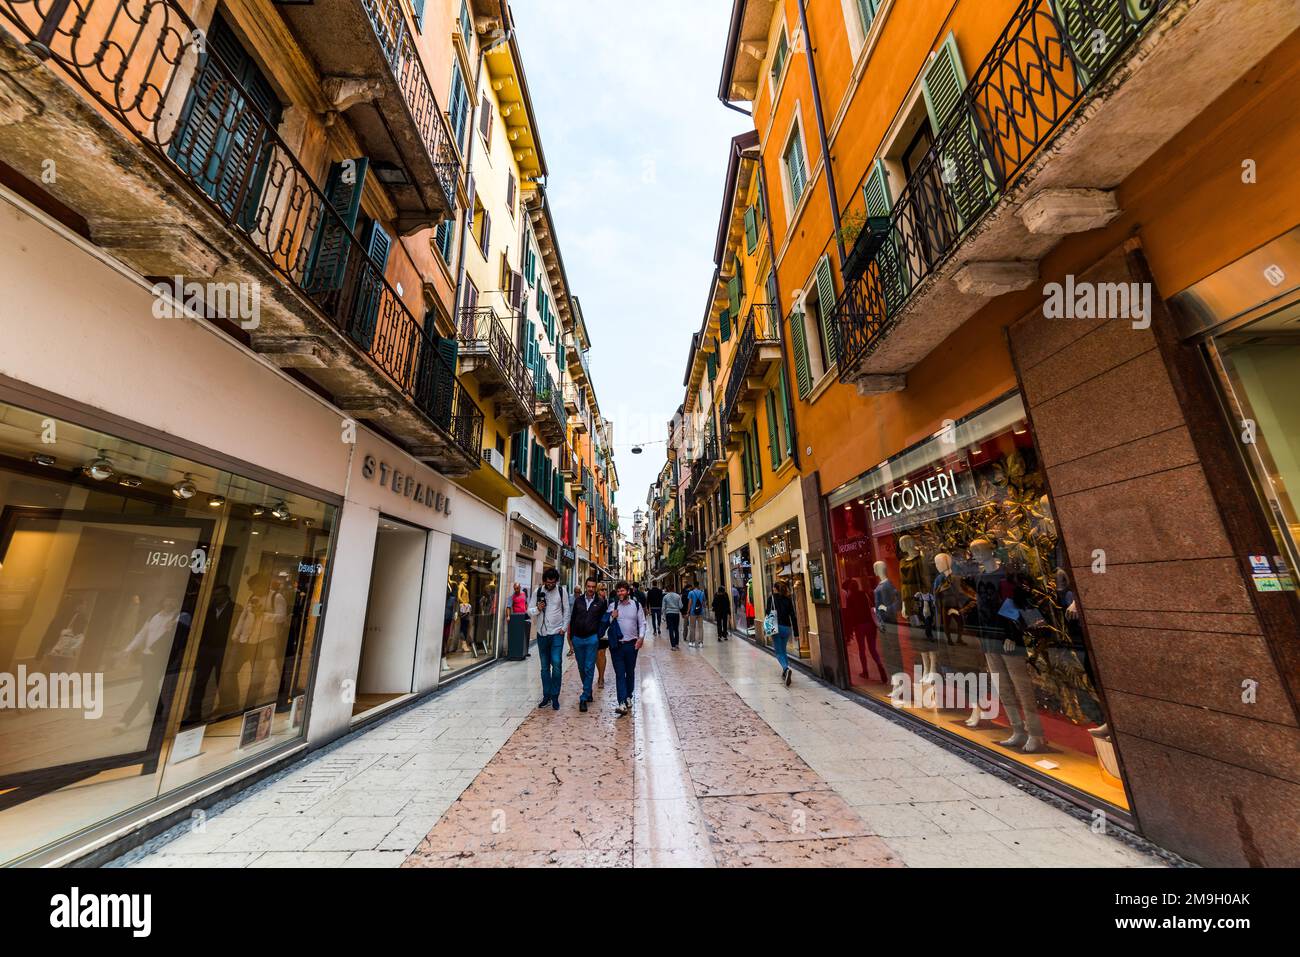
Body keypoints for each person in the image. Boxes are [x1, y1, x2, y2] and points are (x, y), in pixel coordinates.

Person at [529, 567, 569, 710]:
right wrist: (538, 609)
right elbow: (529, 611)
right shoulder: (538, 592)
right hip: (542, 634)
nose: (550, 584)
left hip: (557, 634)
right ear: (544, 581)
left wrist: (563, 628)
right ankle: (546, 696)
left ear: (556, 581)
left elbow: (566, 610)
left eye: (553, 582)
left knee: (557, 664)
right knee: (545, 667)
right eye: (548, 582)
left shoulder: (561, 591)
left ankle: (555, 696)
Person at [567, 576, 607, 713]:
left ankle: (584, 697)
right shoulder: (578, 601)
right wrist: (571, 638)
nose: (590, 589)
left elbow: (604, 620)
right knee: (581, 667)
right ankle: (588, 689)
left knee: (589, 667)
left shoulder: (600, 602)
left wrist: (598, 635)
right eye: (588, 586)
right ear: (585, 586)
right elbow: (572, 619)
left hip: (591, 639)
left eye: (593, 587)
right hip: (577, 639)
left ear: (595, 588)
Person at [607, 581, 647, 716]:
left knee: (630, 672)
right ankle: (622, 702)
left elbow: (642, 623)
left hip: (632, 644)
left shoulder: (636, 605)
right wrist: (612, 617)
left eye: (622, 590)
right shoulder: (613, 606)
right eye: (618, 591)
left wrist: (641, 638)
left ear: (628, 592)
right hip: (617, 646)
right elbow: (605, 623)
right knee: (619, 673)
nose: (620, 593)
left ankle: (628, 696)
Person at [770, 581, 799, 686]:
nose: (773, 589)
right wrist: (796, 633)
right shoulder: (788, 599)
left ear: (776, 589)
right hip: (787, 628)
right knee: (783, 650)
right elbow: (793, 616)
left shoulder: (772, 598)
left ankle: (786, 669)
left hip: (776, 627)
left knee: (778, 652)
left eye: (774, 588)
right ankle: (785, 671)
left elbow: (767, 613)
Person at [595, 582, 612, 687]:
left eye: (605, 589)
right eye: (602, 590)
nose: (604, 592)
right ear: (598, 591)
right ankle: (600, 674)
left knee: (602, 653)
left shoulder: (607, 601)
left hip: (604, 631)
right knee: (597, 655)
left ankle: (601, 677)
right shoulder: (595, 601)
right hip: (594, 631)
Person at [685, 581, 706, 648]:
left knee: (692, 627)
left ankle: (692, 642)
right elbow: (703, 603)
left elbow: (690, 603)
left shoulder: (691, 593)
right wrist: (703, 608)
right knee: (700, 627)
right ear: (698, 585)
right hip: (700, 612)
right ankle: (701, 642)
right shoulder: (702, 593)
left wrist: (688, 612)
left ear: (694, 585)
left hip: (693, 612)